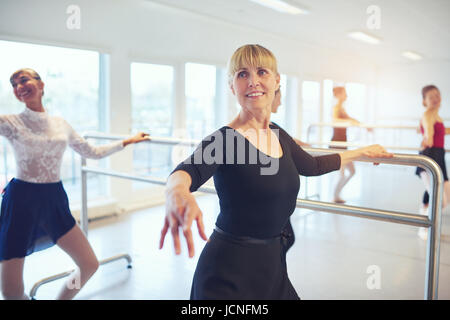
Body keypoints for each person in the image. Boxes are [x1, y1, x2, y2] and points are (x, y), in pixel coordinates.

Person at [159, 44, 392, 300]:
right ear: (231, 86)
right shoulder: (224, 140)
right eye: (242, 74)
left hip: (272, 266)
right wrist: (176, 191)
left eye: (262, 72)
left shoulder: (279, 135)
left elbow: (312, 166)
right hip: (228, 272)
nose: (253, 82)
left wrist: (360, 152)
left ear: (277, 80)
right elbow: (187, 170)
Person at [0, 68, 149, 300]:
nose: (19, 86)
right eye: (14, 84)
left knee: (88, 264)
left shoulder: (61, 124)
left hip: (53, 199)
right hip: (21, 200)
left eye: (24, 79)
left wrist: (127, 141)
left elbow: (92, 151)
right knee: (11, 291)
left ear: (41, 85)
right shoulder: (9, 122)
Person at [415, 85, 450, 240]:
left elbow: (440, 131)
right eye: (431, 97)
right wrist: (427, 138)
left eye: (437, 95)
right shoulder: (428, 114)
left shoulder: (435, 115)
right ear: (424, 101)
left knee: (443, 195)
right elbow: (429, 133)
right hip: (430, 157)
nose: (435, 99)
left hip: (439, 157)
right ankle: (424, 229)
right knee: (440, 200)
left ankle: (428, 225)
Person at [331, 86, 363, 203]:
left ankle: (337, 195)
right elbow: (334, 120)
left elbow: (351, 119)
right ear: (339, 95)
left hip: (343, 144)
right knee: (342, 174)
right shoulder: (336, 108)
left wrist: (361, 124)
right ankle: (335, 196)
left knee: (352, 171)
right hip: (337, 145)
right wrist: (350, 122)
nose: (346, 96)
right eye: (345, 93)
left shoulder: (342, 109)